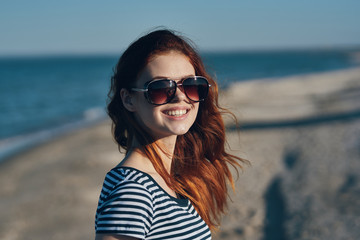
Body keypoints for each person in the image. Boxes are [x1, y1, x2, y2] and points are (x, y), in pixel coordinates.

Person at [95, 29, 246, 240]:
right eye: (160, 88)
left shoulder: (168, 180)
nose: (180, 97)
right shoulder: (133, 191)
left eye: (191, 86)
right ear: (129, 99)